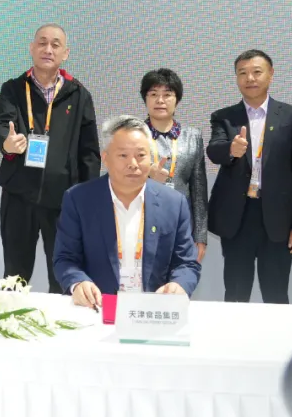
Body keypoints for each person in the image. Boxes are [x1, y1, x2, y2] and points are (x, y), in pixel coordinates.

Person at [0, 23, 100, 293]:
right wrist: (7, 143)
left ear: (65, 53)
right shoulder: (13, 89)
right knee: (14, 275)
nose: (48, 49)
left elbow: (89, 152)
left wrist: (87, 200)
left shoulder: (79, 95)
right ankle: (10, 318)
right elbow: (1, 125)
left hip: (63, 201)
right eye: (42, 43)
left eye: (55, 44)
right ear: (32, 48)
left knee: (63, 276)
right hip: (19, 197)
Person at [53, 116, 201, 306]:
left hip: (152, 308)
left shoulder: (173, 203)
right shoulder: (79, 199)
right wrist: (78, 282)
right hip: (98, 306)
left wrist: (179, 285)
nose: (133, 164)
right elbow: (65, 258)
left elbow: (187, 263)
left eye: (141, 155)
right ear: (105, 158)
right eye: (123, 155)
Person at [206, 50, 292, 304]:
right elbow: (214, 150)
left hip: (278, 219)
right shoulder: (224, 117)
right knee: (235, 292)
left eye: (256, 72)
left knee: (276, 294)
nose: (250, 78)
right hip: (238, 217)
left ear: (271, 74)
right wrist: (230, 150)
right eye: (242, 73)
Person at [139, 68, 208, 261]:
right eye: (153, 94)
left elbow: (199, 190)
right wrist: (148, 176)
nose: (160, 100)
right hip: (140, 222)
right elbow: (120, 179)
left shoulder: (192, 136)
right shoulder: (133, 135)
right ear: (145, 99)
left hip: (181, 224)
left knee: (179, 276)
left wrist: (200, 236)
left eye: (167, 94)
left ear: (177, 99)